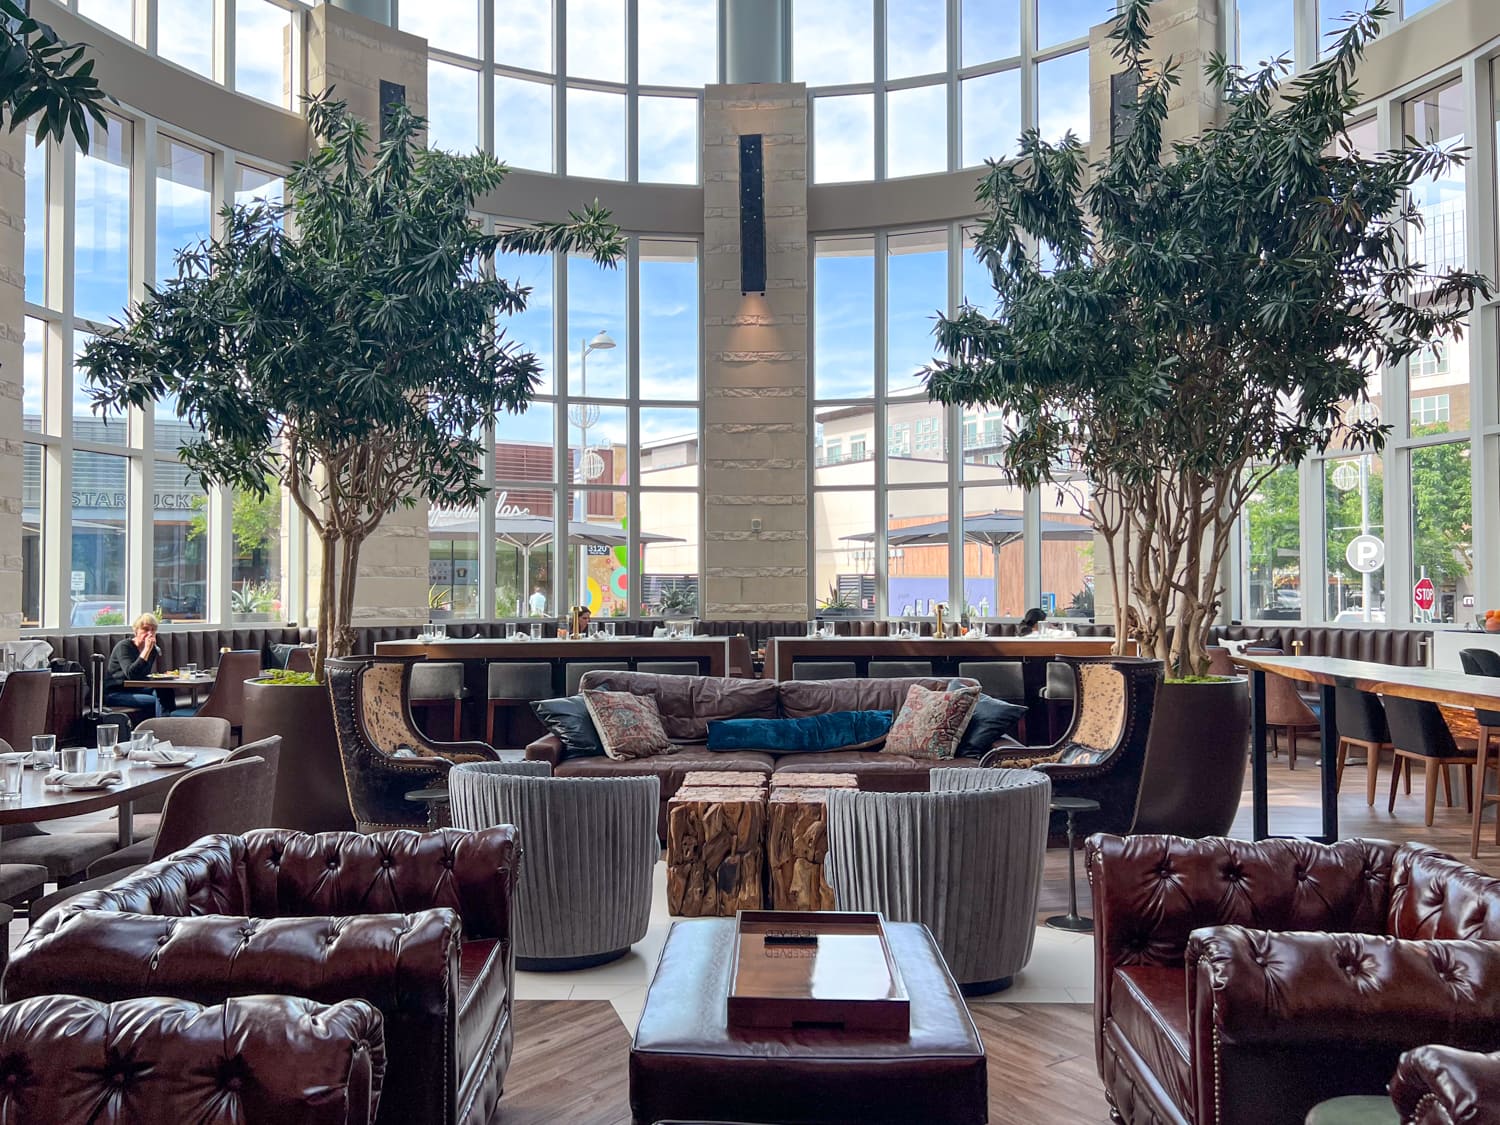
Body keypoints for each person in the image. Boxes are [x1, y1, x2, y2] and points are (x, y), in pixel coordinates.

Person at [104, 613, 171, 716]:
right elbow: (132, 674)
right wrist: (146, 650)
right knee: (158, 701)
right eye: (145, 629)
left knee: (166, 692)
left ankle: (170, 726)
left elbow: (143, 675)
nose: (150, 633)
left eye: (153, 630)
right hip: (116, 692)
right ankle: (161, 729)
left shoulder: (152, 649)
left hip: (137, 689)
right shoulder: (124, 647)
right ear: (136, 631)